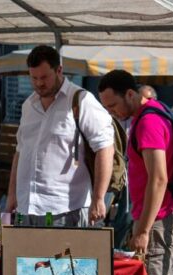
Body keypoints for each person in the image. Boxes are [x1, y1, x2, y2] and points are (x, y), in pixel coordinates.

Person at [98, 70, 173, 275]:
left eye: (113, 105)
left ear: (130, 94)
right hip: (154, 215)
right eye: (106, 108)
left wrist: (144, 231)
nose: (111, 112)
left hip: (159, 218)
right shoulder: (153, 111)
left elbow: (159, 178)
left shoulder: (149, 122)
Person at [9, 45, 115, 227]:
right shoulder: (28, 105)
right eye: (34, 78)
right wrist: (12, 196)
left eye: (44, 77)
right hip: (26, 208)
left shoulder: (81, 100)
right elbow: (20, 152)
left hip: (65, 209)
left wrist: (99, 198)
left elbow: (105, 147)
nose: (39, 83)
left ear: (59, 70)